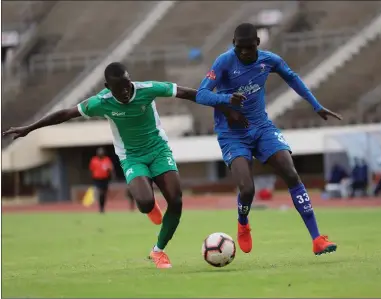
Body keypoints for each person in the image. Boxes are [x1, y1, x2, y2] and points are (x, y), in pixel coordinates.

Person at [2, 62, 247, 269]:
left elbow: (189, 93)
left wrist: (224, 105)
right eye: (120, 89)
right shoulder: (100, 102)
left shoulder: (147, 89)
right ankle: (150, 207)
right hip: (131, 156)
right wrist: (29, 129)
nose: (127, 92)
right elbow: (65, 114)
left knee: (176, 199)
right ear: (109, 88)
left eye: (128, 85)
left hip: (158, 150)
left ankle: (158, 250)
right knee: (144, 202)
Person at [196, 23, 342, 256]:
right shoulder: (224, 62)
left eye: (249, 48)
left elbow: (293, 78)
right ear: (234, 44)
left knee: (291, 173)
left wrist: (316, 105)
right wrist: (226, 100)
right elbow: (201, 93)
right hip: (232, 134)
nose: (244, 52)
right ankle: (243, 222)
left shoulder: (269, 60)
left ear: (258, 44)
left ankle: (317, 239)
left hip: (262, 127)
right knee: (247, 189)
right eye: (240, 48)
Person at [89, 147, 114, 213]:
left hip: (105, 179)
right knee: (100, 192)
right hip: (97, 179)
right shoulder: (94, 160)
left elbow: (110, 169)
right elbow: (91, 169)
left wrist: (111, 176)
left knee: (104, 194)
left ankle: (102, 207)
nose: (101, 153)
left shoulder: (107, 160)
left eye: (102, 152)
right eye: (99, 152)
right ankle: (100, 207)